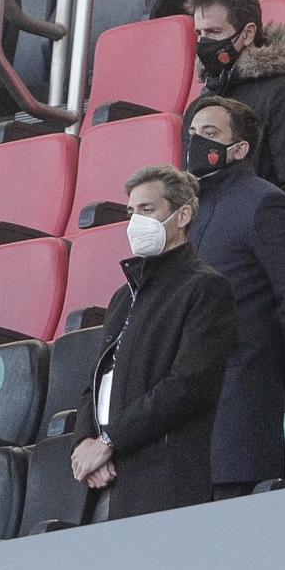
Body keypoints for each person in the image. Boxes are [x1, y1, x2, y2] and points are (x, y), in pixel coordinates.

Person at [70, 166, 235, 521]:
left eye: (147, 210)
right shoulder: (123, 297)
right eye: (131, 212)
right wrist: (85, 441)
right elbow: (97, 380)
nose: (135, 222)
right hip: (106, 480)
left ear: (183, 215)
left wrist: (110, 442)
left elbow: (189, 384)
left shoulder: (205, 288)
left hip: (163, 480)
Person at [184, 97, 285, 497]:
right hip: (185, 437)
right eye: (192, 133)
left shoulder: (265, 202)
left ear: (240, 149)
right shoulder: (185, 214)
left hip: (238, 428)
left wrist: (264, 368)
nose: (196, 142)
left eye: (210, 134)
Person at [186, 0, 285, 226]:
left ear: (249, 33)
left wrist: (261, 239)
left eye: (214, 32)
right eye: (199, 33)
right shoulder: (198, 109)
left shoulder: (283, 95)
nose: (203, 43)